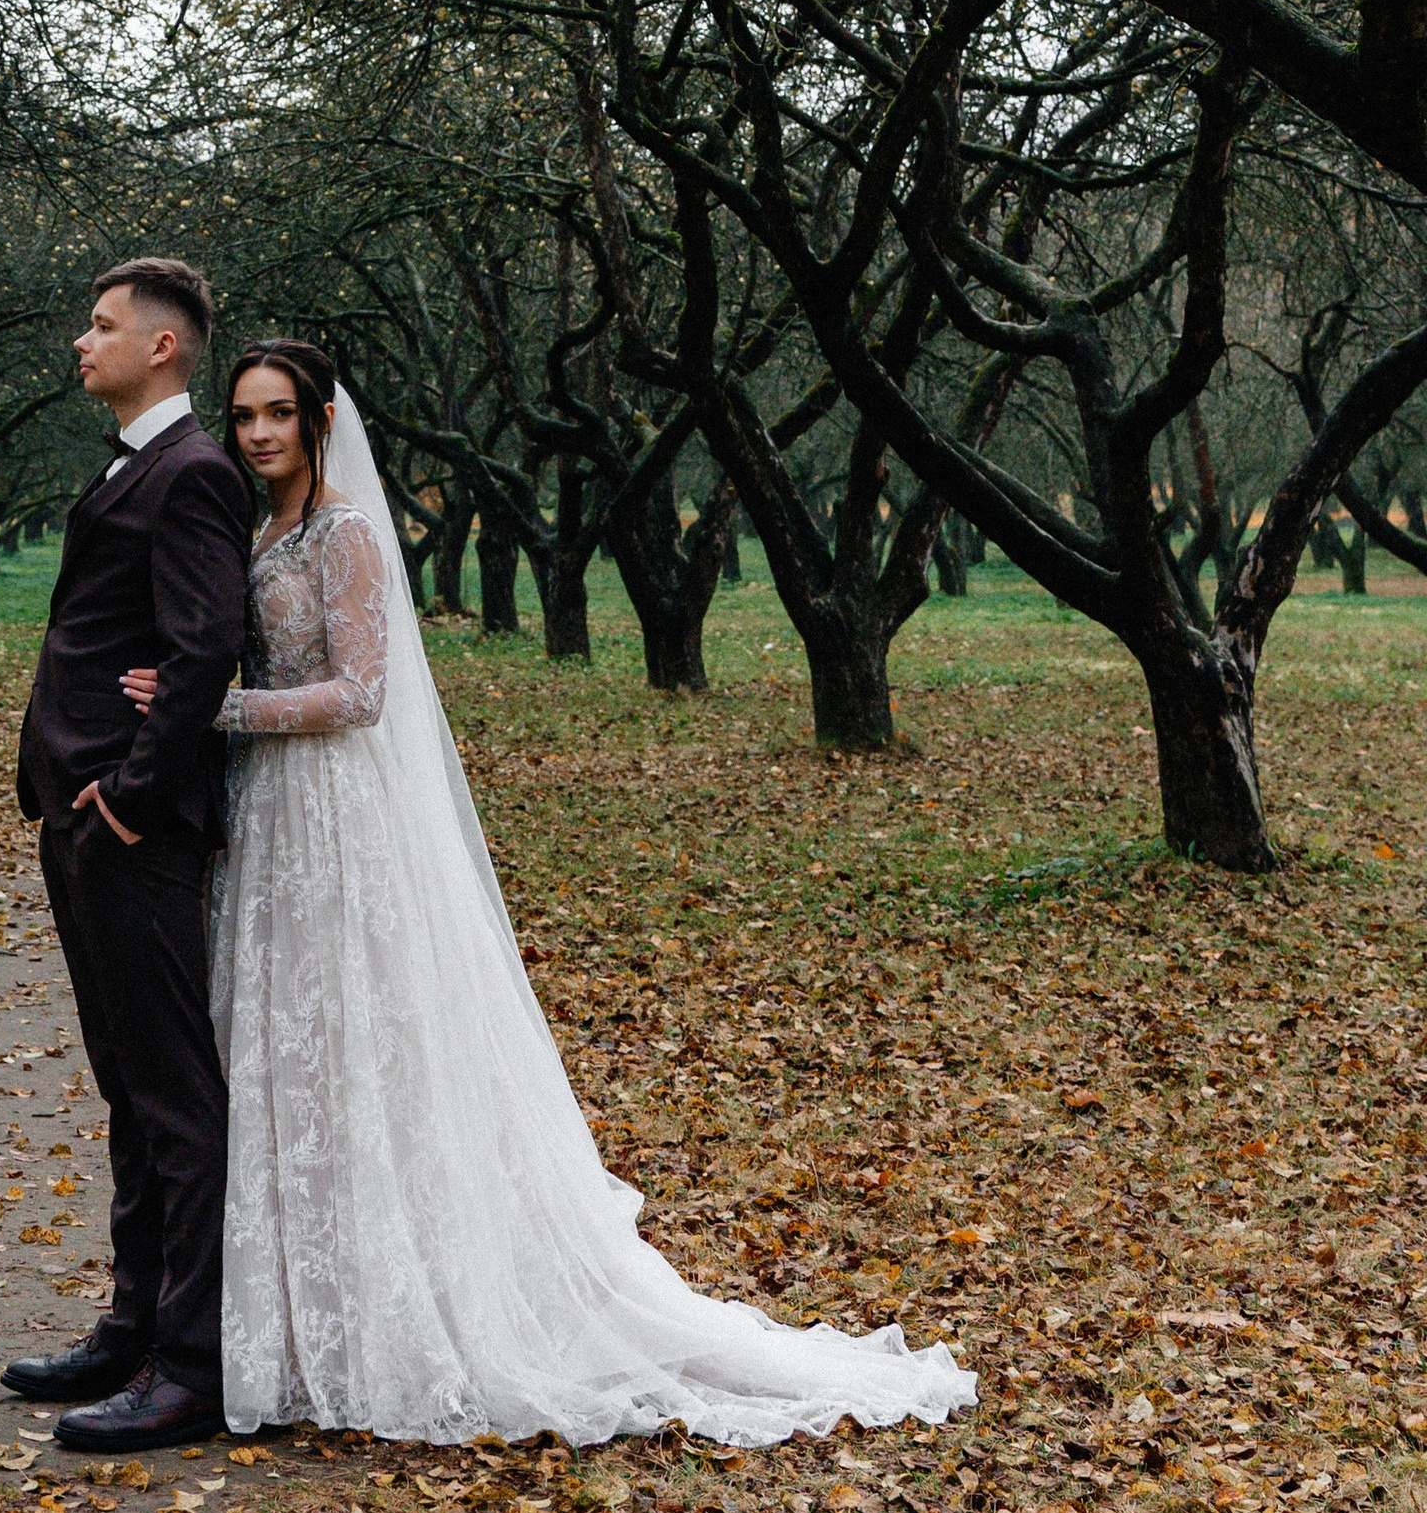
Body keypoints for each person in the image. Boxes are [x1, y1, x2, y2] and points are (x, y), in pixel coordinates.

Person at [120, 340, 977, 1449]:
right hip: (272, 823)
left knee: (357, 1045)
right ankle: (287, 1316)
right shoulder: (260, 530)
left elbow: (363, 692)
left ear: (323, 419)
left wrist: (217, 710)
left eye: (279, 414)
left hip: (334, 813)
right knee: (283, 1054)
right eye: (243, 416)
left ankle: (394, 1306)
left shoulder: (345, 532)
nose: (258, 435)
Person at [7, 256, 254, 1452]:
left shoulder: (194, 472)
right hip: (78, 811)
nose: (80, 341)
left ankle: (190, 1366)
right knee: (125, 1082)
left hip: (129, 823)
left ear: (163, 346)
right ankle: (131, 1321)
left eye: (100, 326)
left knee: (173, 1095)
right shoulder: (136, 464)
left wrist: (131, 798)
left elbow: (205, 649)